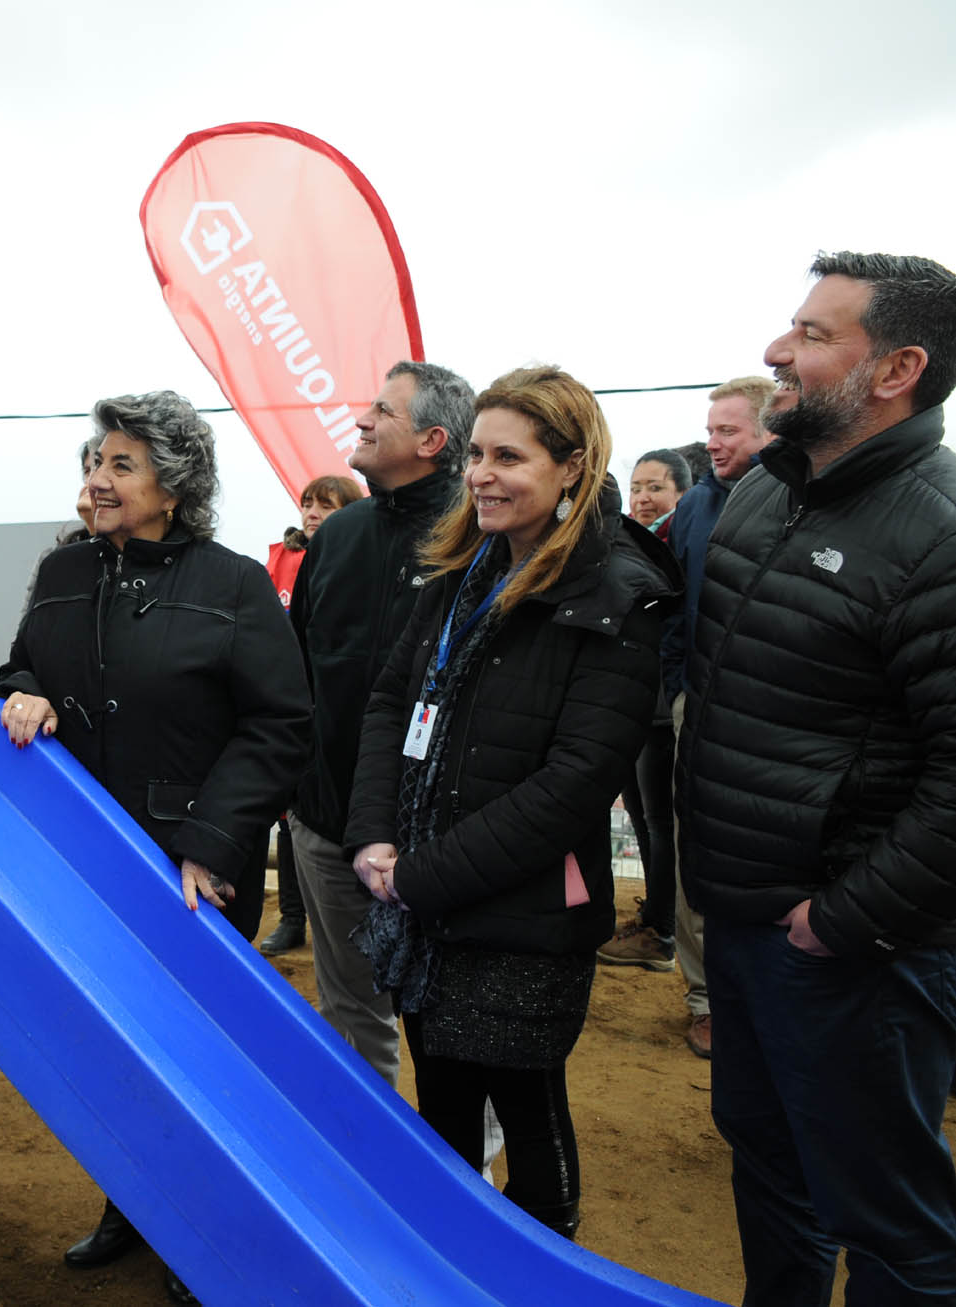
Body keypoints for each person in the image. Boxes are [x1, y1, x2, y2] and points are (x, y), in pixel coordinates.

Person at [676, 251, 956, 1305]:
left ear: (895, 369)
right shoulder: (760, 497)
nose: (774, 351)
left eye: (809, 333)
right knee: (770, 1168)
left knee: (889, 1224)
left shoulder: (938, 532)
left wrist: (839, 920)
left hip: (852, 952)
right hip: (747, 920)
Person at [344, 365, 675, 1240]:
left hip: (520, 914)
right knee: (442, 1103)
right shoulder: (463, 569)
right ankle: (455, 1263)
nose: (481, 474)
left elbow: (574, 784)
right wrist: (374, 835)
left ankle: (542, 1274)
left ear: (570, 467)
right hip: (420, 905)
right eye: (477, 454)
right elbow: (388, 703)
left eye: (508, 457)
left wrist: (421, 875)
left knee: (527, 1113)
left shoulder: (618, 595)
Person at [0, 391, 307, 1306]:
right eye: (95, 459)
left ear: (174, 487)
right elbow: (22, 664)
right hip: (80, 856)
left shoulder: (233, 583)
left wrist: (211, 842)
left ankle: (207, 1226)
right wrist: (22, 694)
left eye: (122, 465)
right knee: (111, 1048)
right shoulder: (60, 569)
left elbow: (281, 724)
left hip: (191, 864)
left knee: (201, 1055)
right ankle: (129, 1204)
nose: (97, 478)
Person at [286, 361, 471, 1084]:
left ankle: (467, 1182)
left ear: (430, 438)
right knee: (350, 1011)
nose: (359, 420)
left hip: (440, 840)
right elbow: (299, 665)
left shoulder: (477, 536)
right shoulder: (337, 536)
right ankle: (362, 1172)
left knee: (451, 1021)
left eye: (380, 411)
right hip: (327, 819)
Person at [628, 375, 775, 1056]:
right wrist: (676, 684)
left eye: (728, 431)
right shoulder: (693, 510)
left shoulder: (798, 499)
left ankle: (769, 993)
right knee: (690, 848)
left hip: (775, 716)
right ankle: (703, 996)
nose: (711, 442)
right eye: (709, 429)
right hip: (698, 703)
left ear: (768, 430)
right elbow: (672, 603)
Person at [598, 448, 692, 978]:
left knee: (659, 822)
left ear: (681, 492)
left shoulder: (673, 550)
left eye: (655, 487)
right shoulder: (634, 544)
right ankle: (655, 921)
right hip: (635, 704)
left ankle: (660, 931)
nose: (643, 497)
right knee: (640, 816)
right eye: (637, 487)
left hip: (662, 708)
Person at [260, 473, 361, 957]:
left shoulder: (362, 558)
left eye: (327, 504)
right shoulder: (279, 560)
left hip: (343, 711)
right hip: (289, 706)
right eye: (308, 503)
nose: (313, 512)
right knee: (290, 816)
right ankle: (293, 918)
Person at [624, 448, 691, 538]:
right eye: (636, 490)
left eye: (655, 488)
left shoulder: (691, 541)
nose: (642, 499)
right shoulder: (616, 537)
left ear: (684, 495)